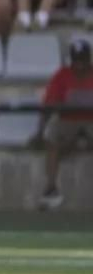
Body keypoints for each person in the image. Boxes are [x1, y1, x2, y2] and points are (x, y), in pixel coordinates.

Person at [35, 39, 93, 209]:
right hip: (68, 119)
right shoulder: (62, 75)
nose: (80, 65)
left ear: (89, 59)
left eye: (83, 60)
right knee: (51, 136)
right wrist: (39, 131)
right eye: (76, 60)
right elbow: (49, 103)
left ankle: (80, 143)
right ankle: (51, 188)